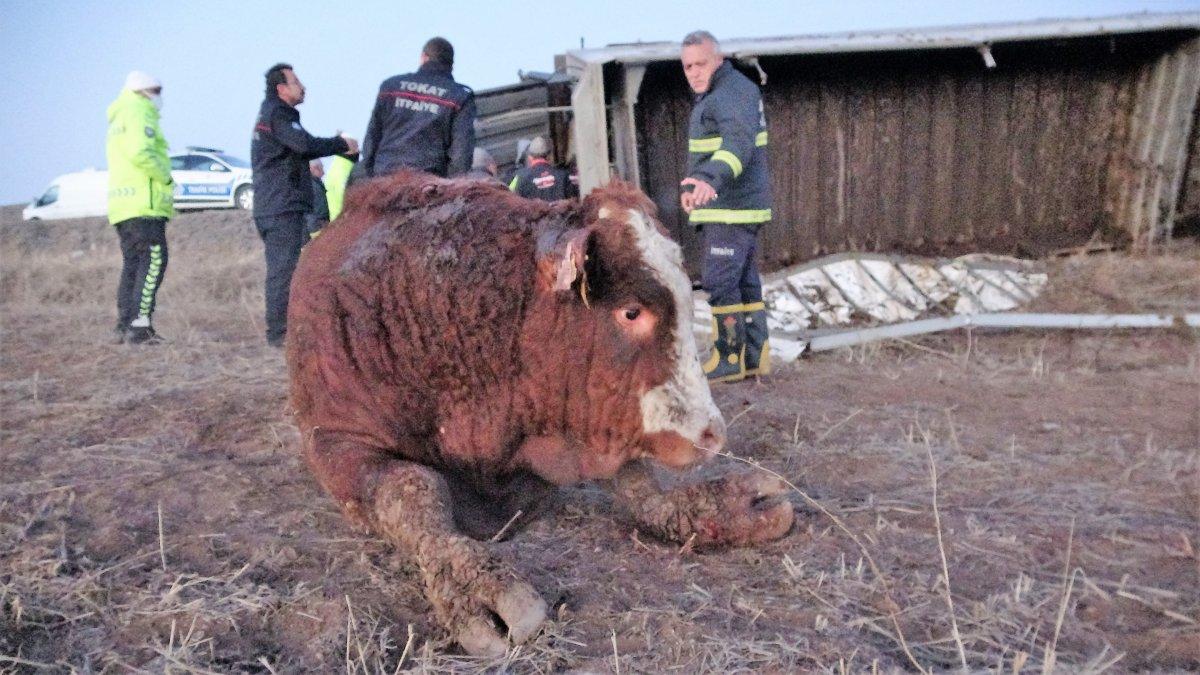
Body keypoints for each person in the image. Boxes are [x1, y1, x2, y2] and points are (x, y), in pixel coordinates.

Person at [679, 31, 772, 383]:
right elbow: (716, 148)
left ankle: (729, 357)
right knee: (743, 282)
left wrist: (709, 180)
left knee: (719, 281)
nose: (694, 72)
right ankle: (755, 356)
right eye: (688, 66)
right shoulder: (726, 92)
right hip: (734, 205)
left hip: (731, 206)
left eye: (701, 64)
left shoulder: (729, 93)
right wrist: (695, 183)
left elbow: (737, 144)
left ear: (719, 60)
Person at [251, 63, 357, 347]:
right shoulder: (278, 115)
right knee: (283, 270)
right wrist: (340, 144)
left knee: (288, 268)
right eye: (296, 82)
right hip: (280, 206)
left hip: (280, 204)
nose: (303, 87)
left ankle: (289, 330)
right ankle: (279, 335)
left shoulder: (275, 114)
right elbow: (305, 145)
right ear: (281, 89)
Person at [107, 70, 173, 345]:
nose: (158, 97)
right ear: (142, 91)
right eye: (156, 91)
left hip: (123, 205)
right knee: (154, 260)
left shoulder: (120, 115)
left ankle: (124, 325)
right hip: (143, 203)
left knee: (133, 264)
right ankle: (140, 326)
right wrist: (165, 177)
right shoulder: (138, 111)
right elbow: (140, 151)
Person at [361, 37, 476, 178]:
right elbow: (461, 153)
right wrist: (452, 185)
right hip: (428, 182)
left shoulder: (390, 87)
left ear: (423, 57)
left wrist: (371, 177)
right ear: (451, 64)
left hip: (384, 177)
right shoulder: (459, 96)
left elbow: (371, 139)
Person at [508, 136, 570, 201]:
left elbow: (510, 199)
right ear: (549, 156)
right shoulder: (563, 175)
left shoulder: (519, 177)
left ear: (529, 157)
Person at [306, 159, 330, 240]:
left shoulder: (312, 182)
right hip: (318, 226)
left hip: (314, 225)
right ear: (314, 168)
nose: (324, 172)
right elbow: (321, 209)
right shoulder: (313, 185)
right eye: (321, 168)